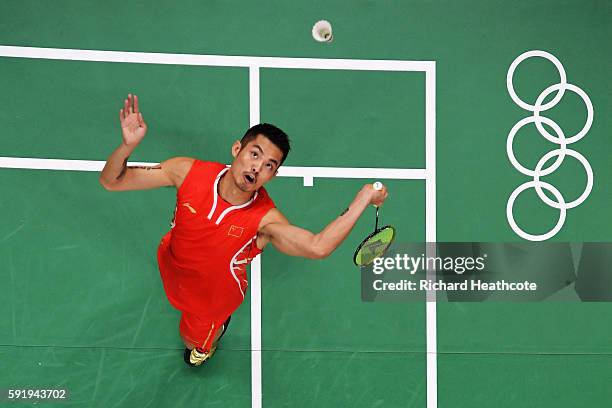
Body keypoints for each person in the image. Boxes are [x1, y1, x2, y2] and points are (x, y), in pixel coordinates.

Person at [99, 94, 388, 366]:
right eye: (254, 154)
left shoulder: (265, 221)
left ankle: (207, 343)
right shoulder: (187, 171)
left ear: (273, 175)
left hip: (211, 300)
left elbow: (317, 246)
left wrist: (363, 197)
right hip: (171, 262)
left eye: (268, 165)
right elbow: (113, 181)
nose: (256, 168)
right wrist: (127, 146)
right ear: (237, 149)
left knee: (191, 342)